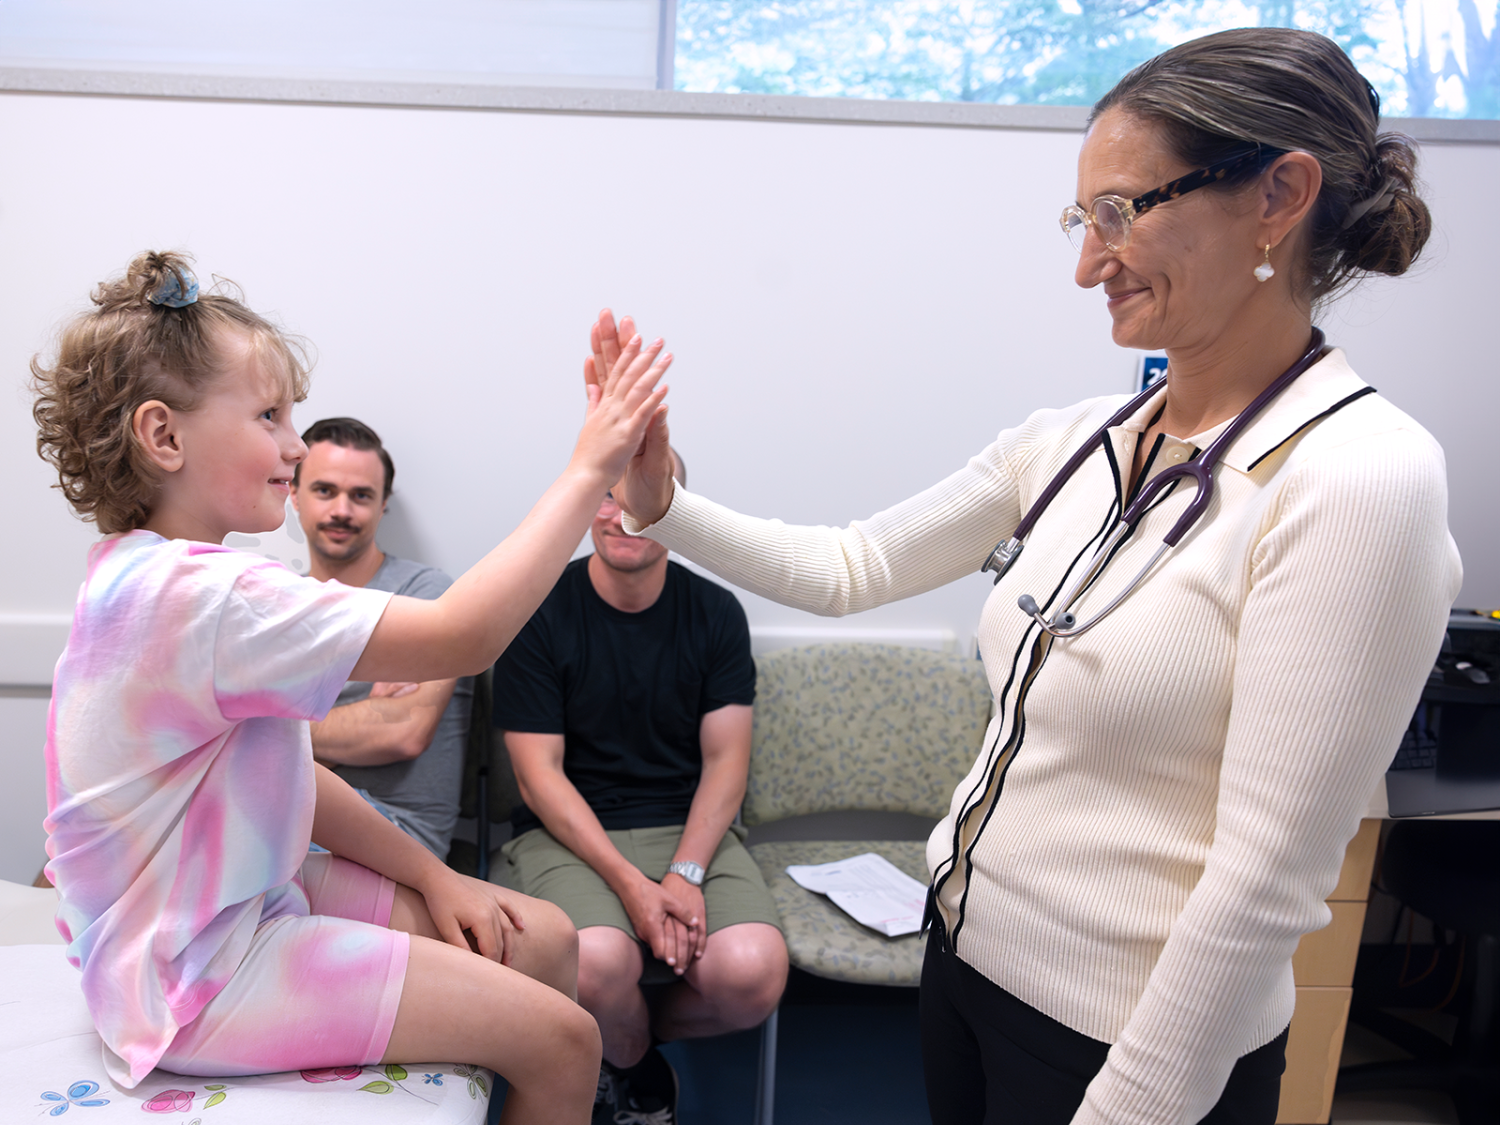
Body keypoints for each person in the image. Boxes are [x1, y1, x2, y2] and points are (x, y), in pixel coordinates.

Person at [603, 28, 1461, 1125]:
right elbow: (850, 566)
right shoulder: (1077, 441)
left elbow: (1264, 882)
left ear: (1277, 196)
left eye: (1120, 212)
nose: (1087, 263)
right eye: (1081, 218)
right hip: (966, 967)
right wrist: (659, 496)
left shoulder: (1359, 481)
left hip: (1132, 1049)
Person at [33, 250, 670, 1125]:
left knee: (549, 936)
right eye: (268, 415)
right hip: (192, 975)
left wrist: (437, 880)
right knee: (565, 1039)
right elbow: (467, 633)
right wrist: (590, 467)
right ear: (164, 435)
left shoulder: (148, 577)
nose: (294, 445)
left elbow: (292, 774)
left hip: (220, 908)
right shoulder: (205, 598)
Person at [494, 448, 788, 1125]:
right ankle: (634, 1063)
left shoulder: (715, 612)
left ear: (677, 511)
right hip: (567, 833)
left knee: (752, 973)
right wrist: (631, 883)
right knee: (596, 961)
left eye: (643, 497)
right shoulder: (537, 608)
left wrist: (684, 873)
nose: (621, 514)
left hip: (688, 828)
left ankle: (621, 1039)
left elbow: (726, 763)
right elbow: (539, 777)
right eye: (605, 495)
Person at [291, 416, 470, 859]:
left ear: (383, 503)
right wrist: (359, 722)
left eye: (361, 496)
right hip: (289, 814)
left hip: (393, 831)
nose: (342, 511)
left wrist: (273, 728)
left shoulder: (426, 598)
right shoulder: (278, 604)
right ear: (293, 494)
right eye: (325, 490)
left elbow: (404, 732)